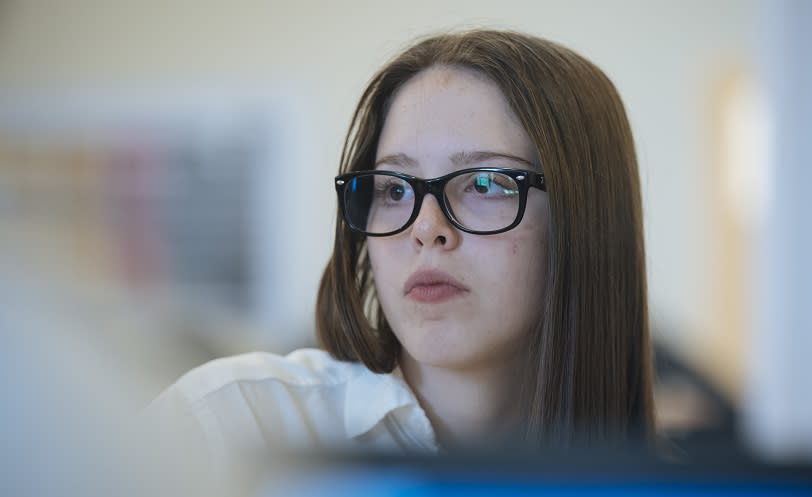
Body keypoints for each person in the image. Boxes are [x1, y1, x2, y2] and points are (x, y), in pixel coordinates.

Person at [149, 29, 654, 469]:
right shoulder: (229, 425)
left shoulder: (672, 484)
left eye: (482, 183)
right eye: (394, 189)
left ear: (586, 217)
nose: (426, 228)